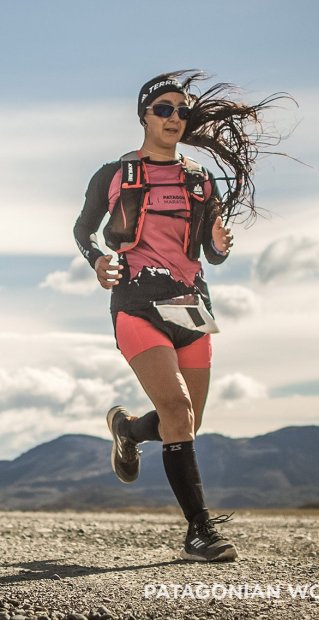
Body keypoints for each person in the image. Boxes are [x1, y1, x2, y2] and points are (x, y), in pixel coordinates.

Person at [73, 70, 289, 562]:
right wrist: (98, 260)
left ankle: (127, 429)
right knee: (176, 411)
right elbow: (83, 231)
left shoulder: (198, 179)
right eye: (164, 109)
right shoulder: (112, 174)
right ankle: (199, 530)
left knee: (187, 420)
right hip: (135, 303)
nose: (175, 118)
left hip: (190, 306)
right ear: (144, 116)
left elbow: (212, 254)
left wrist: (219, 244)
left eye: (182, 111)